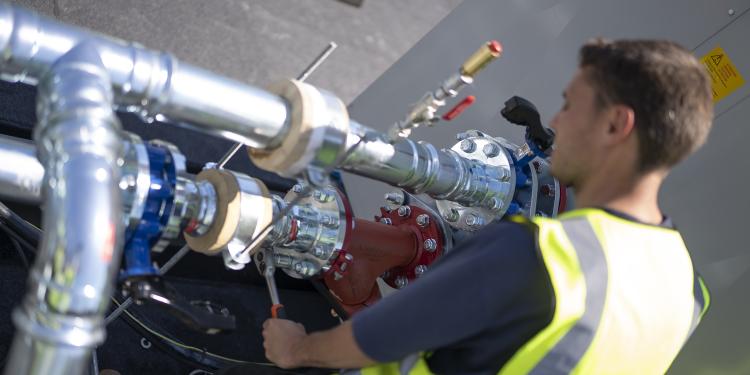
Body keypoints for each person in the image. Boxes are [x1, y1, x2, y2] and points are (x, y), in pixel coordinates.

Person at [261, 39, 714, 374]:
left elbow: (375, 340)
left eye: (571, 106)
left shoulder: (537, 253)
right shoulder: (686, 289)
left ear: (616, 125)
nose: (556, 122)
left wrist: (297, 349)